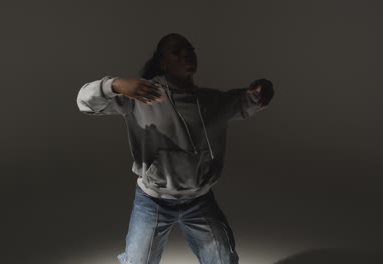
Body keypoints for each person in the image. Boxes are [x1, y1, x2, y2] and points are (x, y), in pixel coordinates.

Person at [76, 33, 274, 264]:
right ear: (163, 62)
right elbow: (84, 101)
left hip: (199, 200)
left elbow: (249, 100)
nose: (186, 54)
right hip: (153, 201)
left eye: (189, 49)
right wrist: (116, 85)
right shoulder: (141, 94)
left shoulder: (211, 101)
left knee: (223, 260)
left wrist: (264, 88)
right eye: (176, 51)